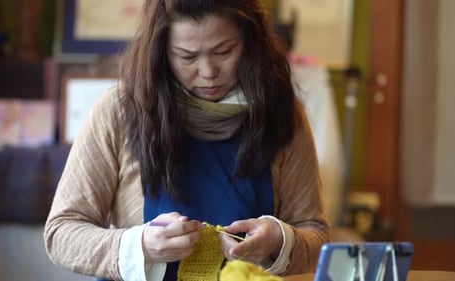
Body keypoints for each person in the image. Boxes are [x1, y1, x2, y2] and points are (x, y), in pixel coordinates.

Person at [44, 0, 330, 280]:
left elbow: (315, 235)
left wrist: (281, 241)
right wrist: (139, 245)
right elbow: (61, 233)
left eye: (224, 51)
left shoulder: (282, 113)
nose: (208, 72)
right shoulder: (119, 111)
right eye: (187, 56)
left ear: (250, 40)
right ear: (161, 53)